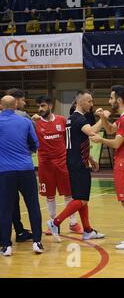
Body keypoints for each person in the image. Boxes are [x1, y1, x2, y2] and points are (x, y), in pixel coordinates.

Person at [47, 91, 105, 242]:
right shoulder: (79, 119)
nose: (91, 104)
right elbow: (92, 132)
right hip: (78, 164)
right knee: (81, 199)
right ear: (80, 102)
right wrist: (103, 118)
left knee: (82, 198)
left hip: (76, 162)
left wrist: (91, 159)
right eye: (89, 101)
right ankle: (55, 222)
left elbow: (78, 142)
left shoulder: (71, 119)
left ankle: (87, 230)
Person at [90, 85, 124, 249]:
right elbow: (111, 129)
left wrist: (100, 140)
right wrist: (103, 118)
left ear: (118, 100)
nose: (109, 101)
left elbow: (116, 142)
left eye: (111, 98)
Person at [31, 96, 83, 235]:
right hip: (45, 165)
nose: (40, 109)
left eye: (42, 106)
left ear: (50, 106)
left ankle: (73, 222)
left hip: (62, 163)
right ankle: (53, 223)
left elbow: (69, 141)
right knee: (49, 196)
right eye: (38, 107)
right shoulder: (34, 123)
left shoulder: (62, 120)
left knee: (69, 194)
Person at [0, 95, 43, 256]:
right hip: (26, 169)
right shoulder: (25, 122)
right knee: (33, 206)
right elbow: (35, 144)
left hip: (4, 171)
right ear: (15, 105)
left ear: (1, 106)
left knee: (5, 208)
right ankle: (37, 242)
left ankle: (6, 245)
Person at [3, 89, 33, 243]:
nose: (24, 103)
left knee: (7, 202)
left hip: (3, 167)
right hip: (21, 167)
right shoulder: (23, 117)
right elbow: (33, 141)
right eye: (22, 100)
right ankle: (20, 233)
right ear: (15, 101)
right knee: (22, 203)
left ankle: (11, 235)